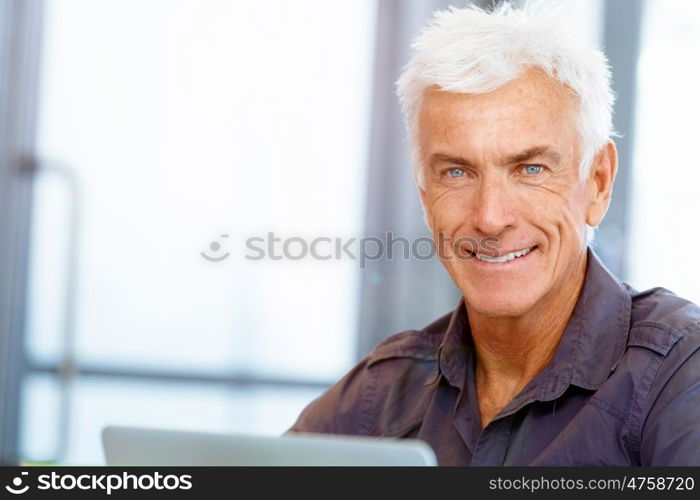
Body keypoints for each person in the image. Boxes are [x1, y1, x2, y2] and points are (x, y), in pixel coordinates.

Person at [287, 1, 700, 465]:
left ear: (598, 182)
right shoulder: (378, 397)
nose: (489, 216)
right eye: (457, 173)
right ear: (425, 195)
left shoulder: (681, 376)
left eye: (530, 168)